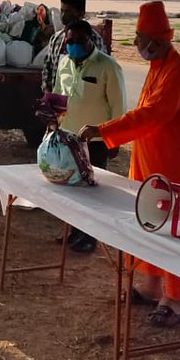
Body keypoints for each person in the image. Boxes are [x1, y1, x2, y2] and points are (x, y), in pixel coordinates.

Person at [80, 0, 180, 328]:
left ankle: (175, 301)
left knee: (171, 224)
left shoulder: (178, 69)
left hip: (174, 164)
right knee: (148, 221)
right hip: (150, 159)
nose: (135, 44)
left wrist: (104, 130)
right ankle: (150, 286)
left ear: (156, 41)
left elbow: (152, 114)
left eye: (138, 37)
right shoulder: (158, 65)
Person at [54, 19, 126, 252]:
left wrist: (114, 139)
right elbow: (57, 95)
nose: (73, 45)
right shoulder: (64, 62)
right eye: (70, 41)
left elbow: (118, 105)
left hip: (95, 140)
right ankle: (73, 231)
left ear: (90, 41)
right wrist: (52, 123)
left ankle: (90, 237)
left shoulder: (108, 66)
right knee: (71, 187)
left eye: (79, 41)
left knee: (92, 191)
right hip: (67, 137)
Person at [40, 0, 106, 95]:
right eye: (62, 11)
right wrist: (48, 93)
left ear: (81, 13)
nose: (63, 15)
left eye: (68, 11)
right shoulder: (56, 38)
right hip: (59, 99)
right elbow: (48, 68)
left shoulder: (93, 39)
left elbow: (101, 70)